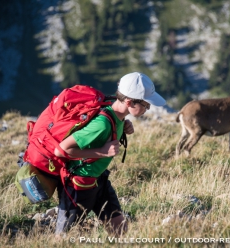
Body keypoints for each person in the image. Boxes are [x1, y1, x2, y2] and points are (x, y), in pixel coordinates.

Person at [53, 72, 166, 237]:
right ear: (129, 102)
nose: (147, 109)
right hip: (79, 185)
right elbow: (61, 150)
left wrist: (124, 126)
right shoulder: (102, 124)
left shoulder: (116, 115)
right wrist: (102, 152)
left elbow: (111, 126)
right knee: (64, 238)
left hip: (99, 180)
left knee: (120, 231)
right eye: (145, 105)